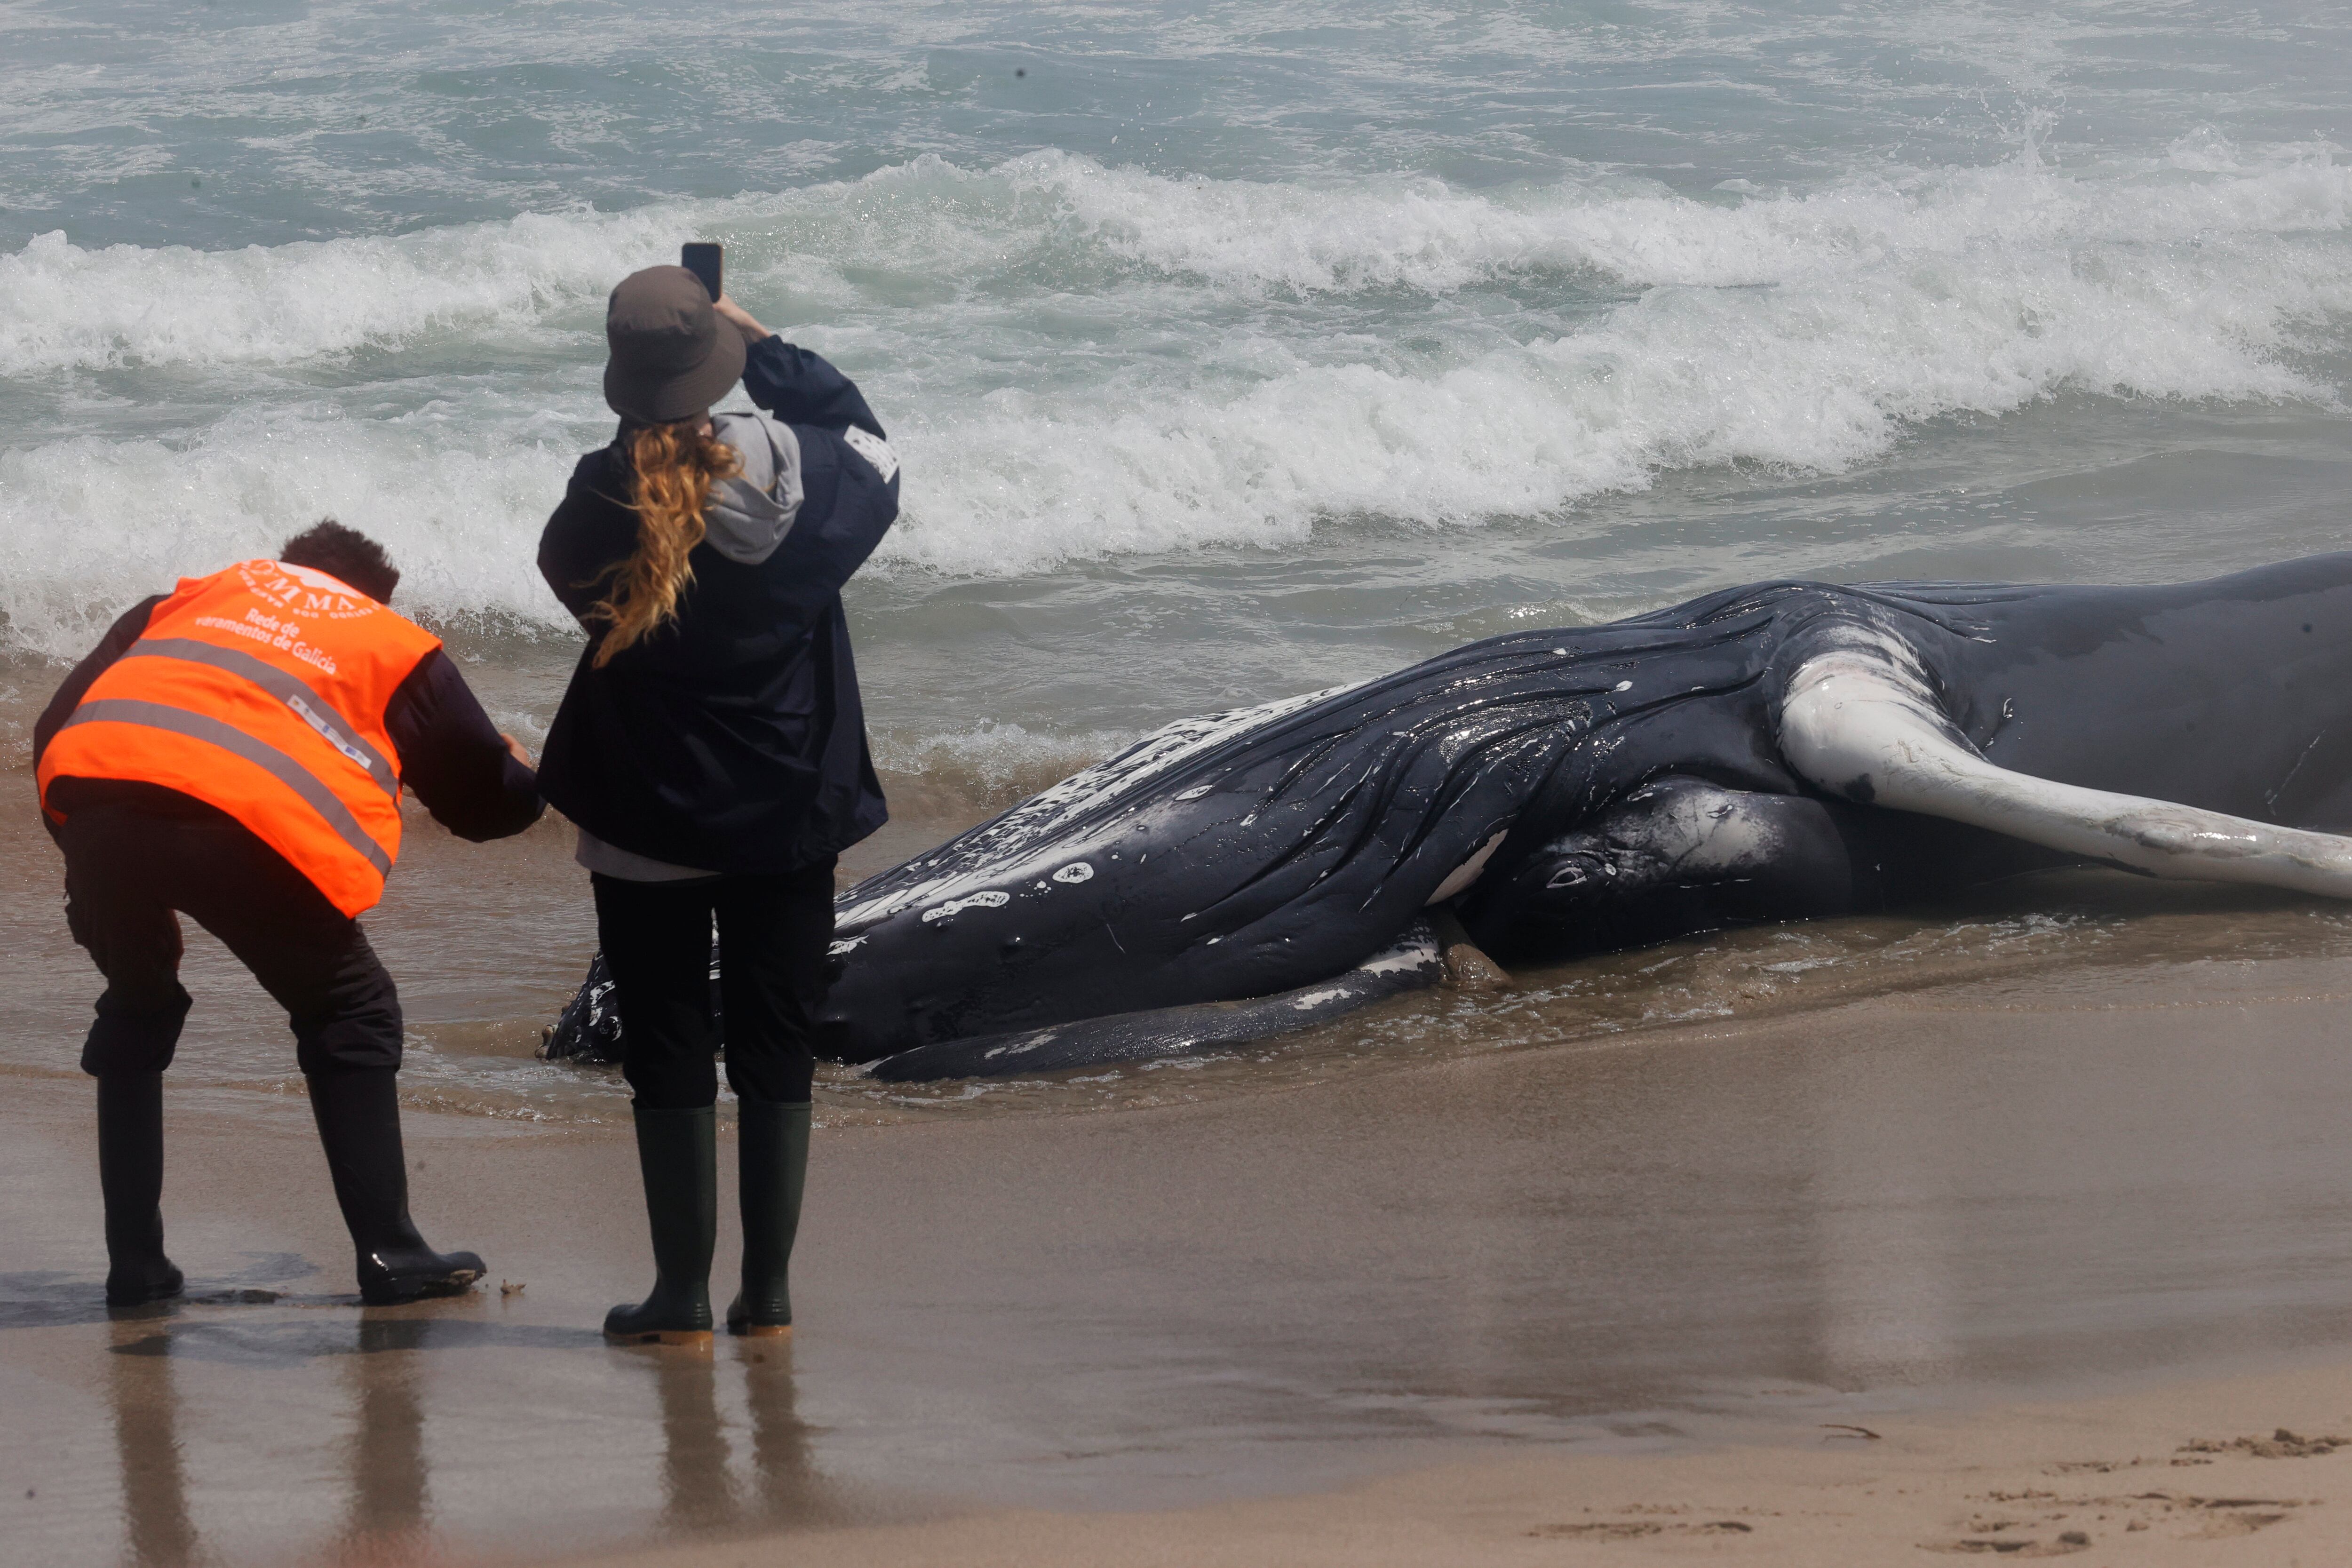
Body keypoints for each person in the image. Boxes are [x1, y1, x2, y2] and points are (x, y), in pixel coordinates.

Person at [34, 521, 542, 1307]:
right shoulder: (391, 641)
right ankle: (390, 1252)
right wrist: (523, 771)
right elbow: (485, 808)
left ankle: (135, 1267)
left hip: (97, 808)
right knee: (352, 1007)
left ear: (287, 572)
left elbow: (54, 730)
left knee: (140, 1003)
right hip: (246, 827)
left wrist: (92, 877)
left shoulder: (182, 602)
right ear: (373, 593)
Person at [536, 266, 898, 1346]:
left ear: (623, 380)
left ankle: (680, 1295)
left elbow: (571, 583)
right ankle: (769, 1293)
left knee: (668, 1039)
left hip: (648, 810)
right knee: (776, 1036)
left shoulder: (599, 499)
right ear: (721, 362)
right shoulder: (821, 481)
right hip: (786, 807)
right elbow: (871, 437)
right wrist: (769, 345)